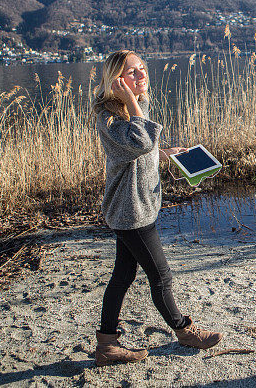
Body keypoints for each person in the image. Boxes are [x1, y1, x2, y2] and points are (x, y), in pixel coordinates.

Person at [91, 49, 223, 367]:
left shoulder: (135, 107)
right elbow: (139, 142)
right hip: (130, 211)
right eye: (132, 72)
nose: (141, 75)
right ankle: (185, 331)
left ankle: (107, 344)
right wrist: (135, 105)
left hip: (139, 206)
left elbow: (143, 149)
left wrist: (167, 153)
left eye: (142, 68)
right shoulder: (110, 118)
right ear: (116, 80)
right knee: (161, 276)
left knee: (122, 276)